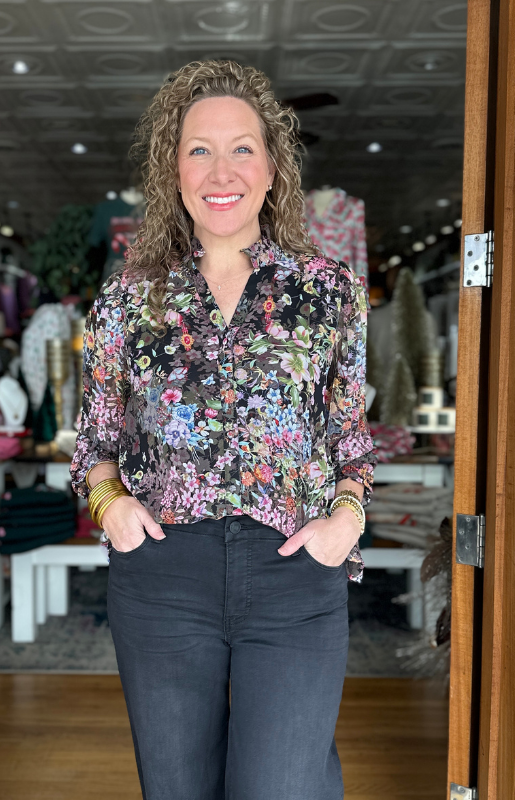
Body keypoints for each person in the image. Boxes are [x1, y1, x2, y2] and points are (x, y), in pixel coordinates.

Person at [71, 59, 377, 800]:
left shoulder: (327, 290)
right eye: (199, 148)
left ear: (273, 168)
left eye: (243, 147)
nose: (222, 169)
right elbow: (95, 443)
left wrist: (347, 517)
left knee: (282, 786)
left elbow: (351, 440)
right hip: (164, 575)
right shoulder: (126, 300)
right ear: (172, 170)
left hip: (294, 571)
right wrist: (111, 507)